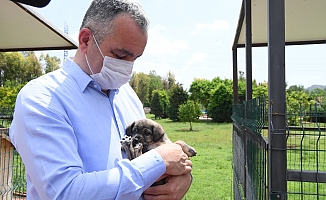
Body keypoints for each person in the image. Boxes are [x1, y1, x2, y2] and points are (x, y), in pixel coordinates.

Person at [9, 0, 193, 199]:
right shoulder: (42, 99)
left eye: (135, 58)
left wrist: (183, 179)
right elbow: (65, 192)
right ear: (86, 40)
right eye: (120, 55)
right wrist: (158, 162)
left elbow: (155, 154)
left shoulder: (128, 95)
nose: (128, 68)